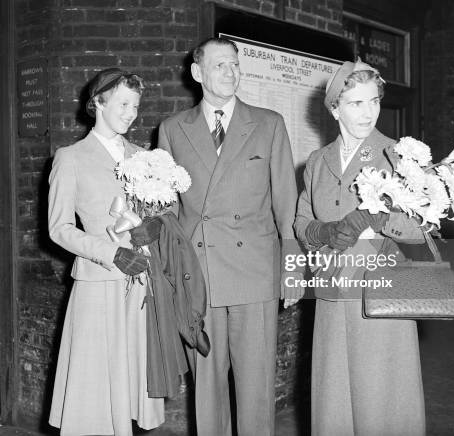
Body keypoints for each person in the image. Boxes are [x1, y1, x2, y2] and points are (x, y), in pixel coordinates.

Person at [157, 37, 304, 436]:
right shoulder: (172, 130)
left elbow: (286, 203)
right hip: (199, 274)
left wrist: (292, 269)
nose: (230, 72)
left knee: (256, 384)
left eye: (235, 64)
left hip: (255, 270)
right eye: (220, 65)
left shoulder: (268, 123)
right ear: (197, 73)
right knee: (207, 385)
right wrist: (168, 273)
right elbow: (167, 211)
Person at [294, 59, 426, 436]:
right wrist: (328, 231)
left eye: (374, 101)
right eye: (356, 103)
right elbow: (300, 224)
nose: (368, 112)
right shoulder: (317, 163)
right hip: (333, 295)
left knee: (381, 403)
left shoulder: (398, 155)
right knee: (335, 404)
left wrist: (377, 219)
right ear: (335, 108)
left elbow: (422, 229)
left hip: (380, 293)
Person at [48, 68, 165, 436]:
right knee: (95, 391)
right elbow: (59, 229)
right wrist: (111, 254)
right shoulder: (71, 157)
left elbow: (159, 211)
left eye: (136, 105)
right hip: (100, 282)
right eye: (123, 104)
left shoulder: (143, 156)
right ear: (98, 102)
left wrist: (157, 225)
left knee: (130, 387)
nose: (132, 113)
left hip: (141, 282)